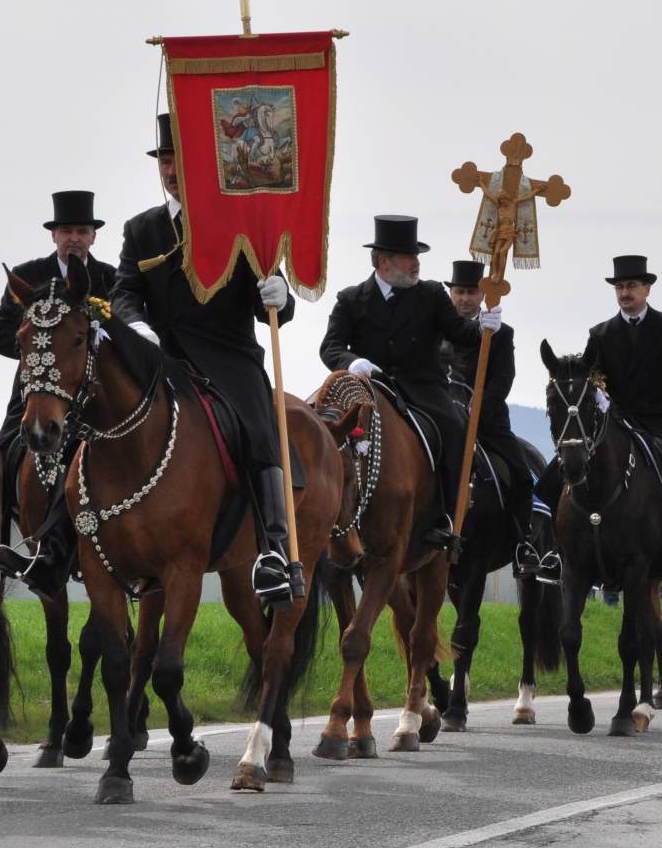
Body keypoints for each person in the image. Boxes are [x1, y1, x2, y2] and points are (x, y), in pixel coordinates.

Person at [107, 114, 302, 601]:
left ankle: (275, 550)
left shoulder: (237, 222)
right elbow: (125, 290)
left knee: (259, 430)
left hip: (228, 357)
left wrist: (278, 293)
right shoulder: (141, 228)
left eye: (181, 162)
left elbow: (267, 302)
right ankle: (62, 541)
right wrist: (135, 326)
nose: (172, 171)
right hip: (160, 356)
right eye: (166, 161)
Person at [321, 215, 492, 558]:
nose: (416, 264)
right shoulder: (352, 298)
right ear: (384, 262)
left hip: (424, 389)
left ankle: (445, 518)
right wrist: (351, 362)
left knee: (456, 430)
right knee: (322, 426)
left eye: (417, 258)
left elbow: (460, 332)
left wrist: (484, 326)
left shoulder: (429, 294)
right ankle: (320, 511)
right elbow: (330, 346)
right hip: (369, 389)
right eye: (408, 257)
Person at [554, 254, 662, 583]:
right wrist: (594, 395)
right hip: (620, 421)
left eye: (631, 286)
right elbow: (594, 376)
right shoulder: (600, 333)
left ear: (647, 289)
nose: (624, 293)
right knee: (562, 462)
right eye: (619, 287)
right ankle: (548, 546)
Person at [0, 190, 117, 596]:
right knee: (3, 453)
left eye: (82, 231)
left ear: (93, 237)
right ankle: (0, 542)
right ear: (54, 236)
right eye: (67, 231)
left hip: (94, 396)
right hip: (37, 391)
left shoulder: (111, 279)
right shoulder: (29, 275)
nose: (74, 238)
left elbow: (129, 333)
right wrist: (41, 348)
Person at [440, 260, 534, 561]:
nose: (464, 299)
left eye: (470, 292)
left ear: (482, 296)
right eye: (459, 292)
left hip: (486, 420)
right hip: (441, 415)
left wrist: (479, 406)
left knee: (520, 472)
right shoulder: (437, 328)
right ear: (451, 294)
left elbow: (504, 378)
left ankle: (523, 541)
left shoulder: (501, 333)